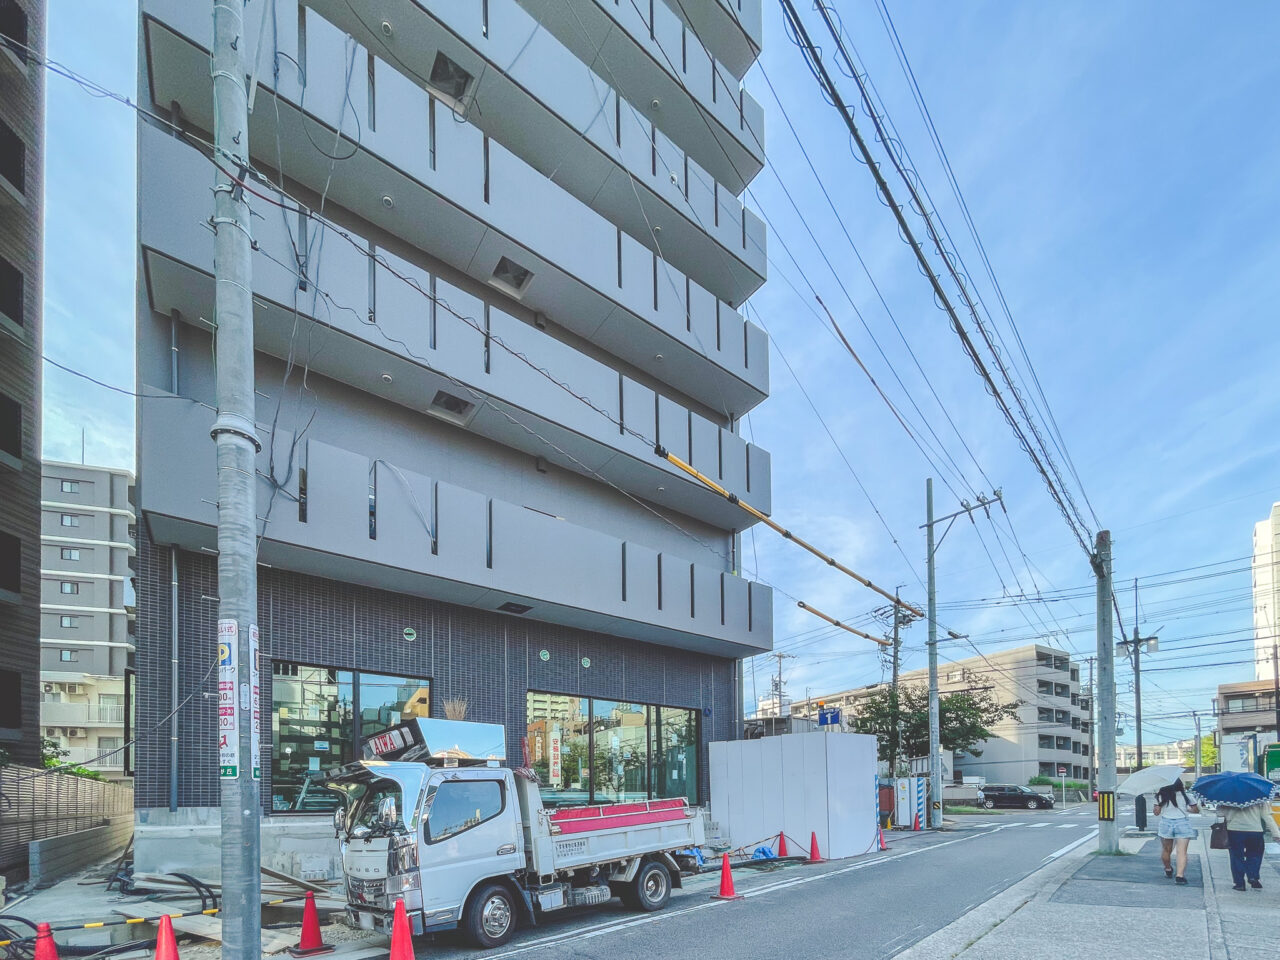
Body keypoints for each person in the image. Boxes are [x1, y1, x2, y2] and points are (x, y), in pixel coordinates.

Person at [1222, 800, 1280, 891]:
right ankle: (1253, 876)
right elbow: (1267, 816)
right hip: (1255, 830)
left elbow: (1220, 813)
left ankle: (1239, 883)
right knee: (1255, 854)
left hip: (1234, 830)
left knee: (1236, 856)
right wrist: (1276, 833)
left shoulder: (1228, 797)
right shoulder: (1259, 798)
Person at [1153, 780, 1199, 884]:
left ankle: (1168, 869)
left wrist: (1158, 805)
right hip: (1182, 823)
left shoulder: (1160, 796)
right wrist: (1187, 809)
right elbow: (1196, 810)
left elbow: (1156, 813)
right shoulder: (1186, 795)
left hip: (1166, 823)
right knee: (1181, 852)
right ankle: (1180, 876)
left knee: (1166, 849)